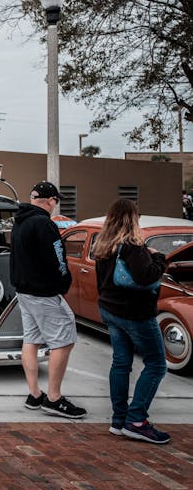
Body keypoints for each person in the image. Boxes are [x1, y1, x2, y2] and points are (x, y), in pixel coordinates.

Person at [94, 198, 169, 444]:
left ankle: (119, 420)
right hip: (136, 314)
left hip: (110, 310)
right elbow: (147, 277)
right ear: (132, 218)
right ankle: (136, 420)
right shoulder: (133, 247)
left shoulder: (102, 245)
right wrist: (159, 259)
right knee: (157, 364)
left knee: (121, 363)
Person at [10, 181, 85, 419]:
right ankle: (54, 398)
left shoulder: (20, 222)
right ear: (51, 201)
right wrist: (63, 284)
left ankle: (35, 394)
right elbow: (58, 259)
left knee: (31, 340)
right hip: (44, 293)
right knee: (63, 342)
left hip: (24, 291)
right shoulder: (44, 224)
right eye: (55, 201)